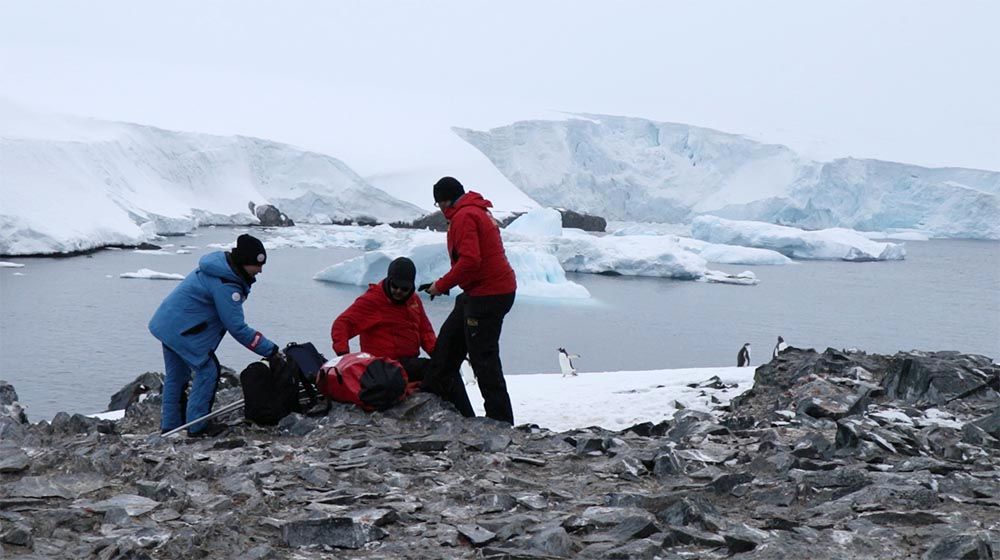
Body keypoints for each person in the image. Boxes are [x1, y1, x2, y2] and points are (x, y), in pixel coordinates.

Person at [149, 234, 281, 437]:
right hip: (183, 332)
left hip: (167, 325)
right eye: (257, 265)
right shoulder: (226, 285)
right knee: (207, 370)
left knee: (177, 376)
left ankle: (171, 426)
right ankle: (197, 427)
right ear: (245, 262)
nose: (260, 270)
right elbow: (237, 327)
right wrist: (269, 349)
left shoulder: (218, 269)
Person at [421, 176, 517, 424]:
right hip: (480, 292)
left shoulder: (464, 216)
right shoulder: (476, 211)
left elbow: (470, 262)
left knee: (483, 359)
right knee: (449, 344)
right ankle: (435, 398)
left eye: (439, 203)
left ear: (445, 200)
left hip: (489, 294)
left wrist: (440, 286)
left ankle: (499, 421)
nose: (440, 210)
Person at [330, 257, 436, 382]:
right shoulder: (373, 301)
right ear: (389, 280)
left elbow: (425, 332)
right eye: (395, 286)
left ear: (411, 287)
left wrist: (438, 356)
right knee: (435, 371)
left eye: (404, 289)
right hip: (382, 366)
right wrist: (344, 356)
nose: (398, 291)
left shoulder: (414, 300)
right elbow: (342, 324)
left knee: (442, 369)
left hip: (406, 363)